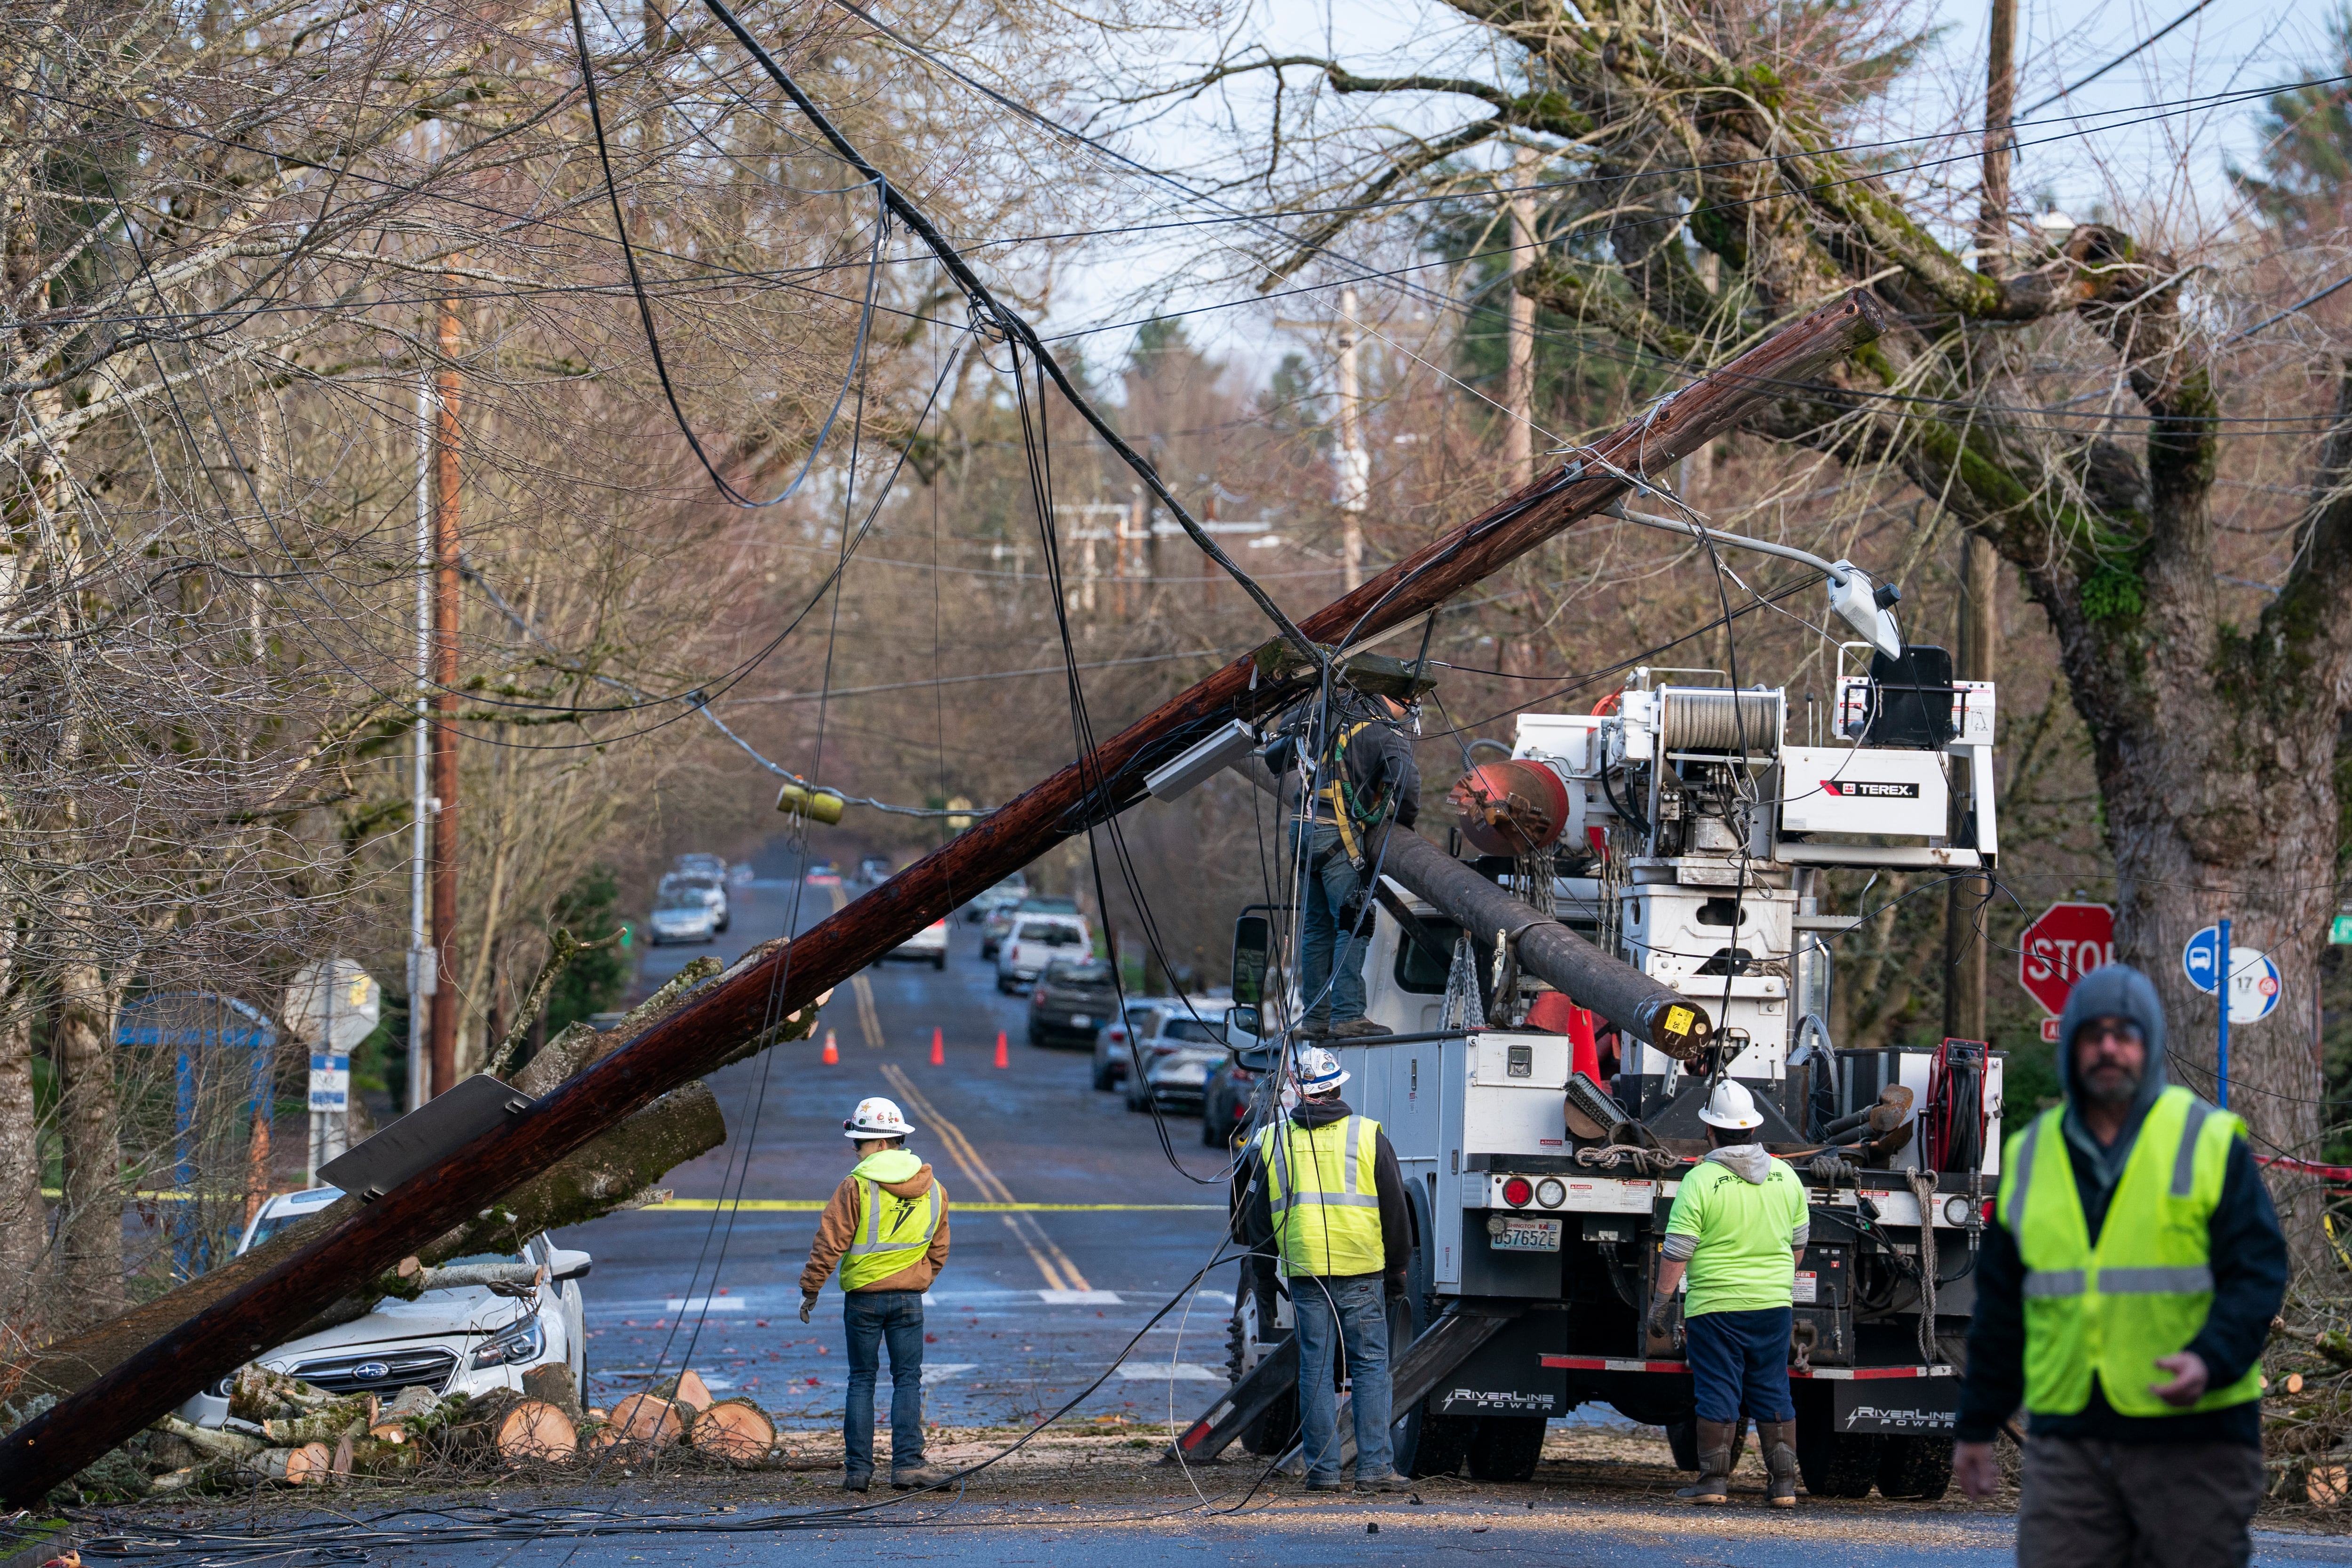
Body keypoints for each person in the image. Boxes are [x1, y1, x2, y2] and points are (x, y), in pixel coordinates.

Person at [1953, 964, 2287, 1568]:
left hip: (2194, 1439)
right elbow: (2002, 1309)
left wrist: (2210, 1358)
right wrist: (1976, 1426)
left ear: (2150, 1044)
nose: (2108, 1047)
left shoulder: (2207, 1140)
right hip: (2067, 1443)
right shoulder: (2030, 1154)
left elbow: (2257, 1274)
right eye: (2093, 1034)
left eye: (2124, 1034)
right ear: (2073, 1045)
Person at [1233, 1045, 1412, 1492]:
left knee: (1316, 1366)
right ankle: (1374, 1469)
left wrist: (1264, 1281)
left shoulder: (1273, 1139)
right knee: (1370, 1366)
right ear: (1336, 1085)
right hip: (1361, 1265)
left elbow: (1256, 1222)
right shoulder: (1368, 1136)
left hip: (1305, 1268)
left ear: (1298, 1090)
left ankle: (1324, 1471)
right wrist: (1397, 1271)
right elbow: (1395, 1212)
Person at [1647, 1079, 1808, 1507]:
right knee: (1774, 1387)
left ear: (1709, 1131)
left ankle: (1714, 1483)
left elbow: (1679, 1249)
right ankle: (1784, 1487)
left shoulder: (1700, 1180)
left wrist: (1661, 1302)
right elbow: (1798, 1242)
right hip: (1773, 1306)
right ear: (1754, 1130)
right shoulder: (1787, 1177)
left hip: (1715, 1308)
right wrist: (1772, 1282)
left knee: (1719, 1388)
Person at [798, 1095, 954, 1492]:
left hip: (863, 1300)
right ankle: (907, 1466)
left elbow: (830, 1242)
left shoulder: (856, 1186)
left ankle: (858, 1472)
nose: (855, 1150)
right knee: (908, 1381)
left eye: (860, 1143)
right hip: (909, 1300)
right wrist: (918, 1279)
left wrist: (811, 1288)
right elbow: (939, 1249)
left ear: (882, 1142)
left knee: (861, 1380)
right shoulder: (934, 1188)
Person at [1280, 686, 1422, 1041]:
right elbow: (1407, 780)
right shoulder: (1383, 731)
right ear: (1403, 699)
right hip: (1337, 836)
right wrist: (1404, 821)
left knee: (1316, 928)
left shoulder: (1326, 713)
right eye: (1413, 706)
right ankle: (1347, 1015)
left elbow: (1285, 727)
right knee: (1353, 923)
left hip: (1302, 830)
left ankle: (1313, 1018)